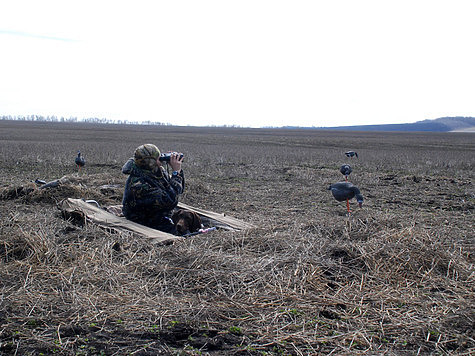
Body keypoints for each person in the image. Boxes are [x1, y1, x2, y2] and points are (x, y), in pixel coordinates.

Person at [122, 143, 184, 234]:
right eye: (158, 158)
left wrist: (178, 172)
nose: (161, 159)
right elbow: (170, 201)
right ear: (151, 163)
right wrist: (176, 173)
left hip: (159, 213)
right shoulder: (138, 185)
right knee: (179, 233)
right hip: (143, 220)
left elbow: (177, 191)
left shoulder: (156, 171)